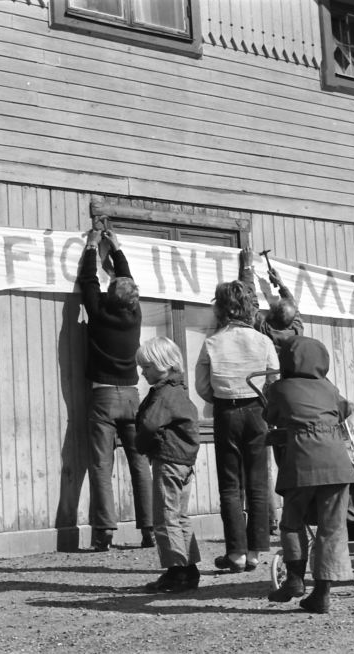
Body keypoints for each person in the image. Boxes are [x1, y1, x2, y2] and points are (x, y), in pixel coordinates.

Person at [195, 250, 279, 573]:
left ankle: (236, 553)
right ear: (248, 308)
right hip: (257, 411)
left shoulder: (212, 343)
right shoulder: (263, 341)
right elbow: (274, 378)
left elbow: (202, 385)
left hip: (226, 413)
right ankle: (257, 551)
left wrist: (221, 397)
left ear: (220, 308)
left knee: (230, 485)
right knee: (258, 481)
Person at [264, 336, 354, 614]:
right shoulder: (329, 388)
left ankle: (294, 579)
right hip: (337, 465)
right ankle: (321, 594)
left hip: (301, 463)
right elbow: (345, 409)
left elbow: (271, 417)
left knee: (292, 523)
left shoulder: (280, 388)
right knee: (332, 529)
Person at [78, 229, 154, 551]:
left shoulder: (98, 313)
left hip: (104, 397)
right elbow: (127, 281)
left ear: (109, 295)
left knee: (101, 466)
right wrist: (118, 251)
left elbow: (87, 280)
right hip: (133, 398)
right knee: (140, 465)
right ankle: (149, 529)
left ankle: (104, 532)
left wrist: (92, 246)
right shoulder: (134, 316)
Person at [239, 250, 304, 535]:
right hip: (293, 402)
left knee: (265, 461)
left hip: (268, 398)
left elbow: (250, 302)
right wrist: (281, 286)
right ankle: (294, 512)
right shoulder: (297, 333)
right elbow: (294, 310)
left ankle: (269, 520)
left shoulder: (261, 329)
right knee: (291, 461)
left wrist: (246, 269)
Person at [134, 337, 202, 593]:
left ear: (162, 365)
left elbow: (150, 424)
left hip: (168, 461)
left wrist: (140, 443)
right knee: (180, 517)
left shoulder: (163, 395)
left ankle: (176, 572)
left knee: (165, 518)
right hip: (185, 463)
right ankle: (190, 569)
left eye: (147, 367)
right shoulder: (180, 391)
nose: (143, 372)